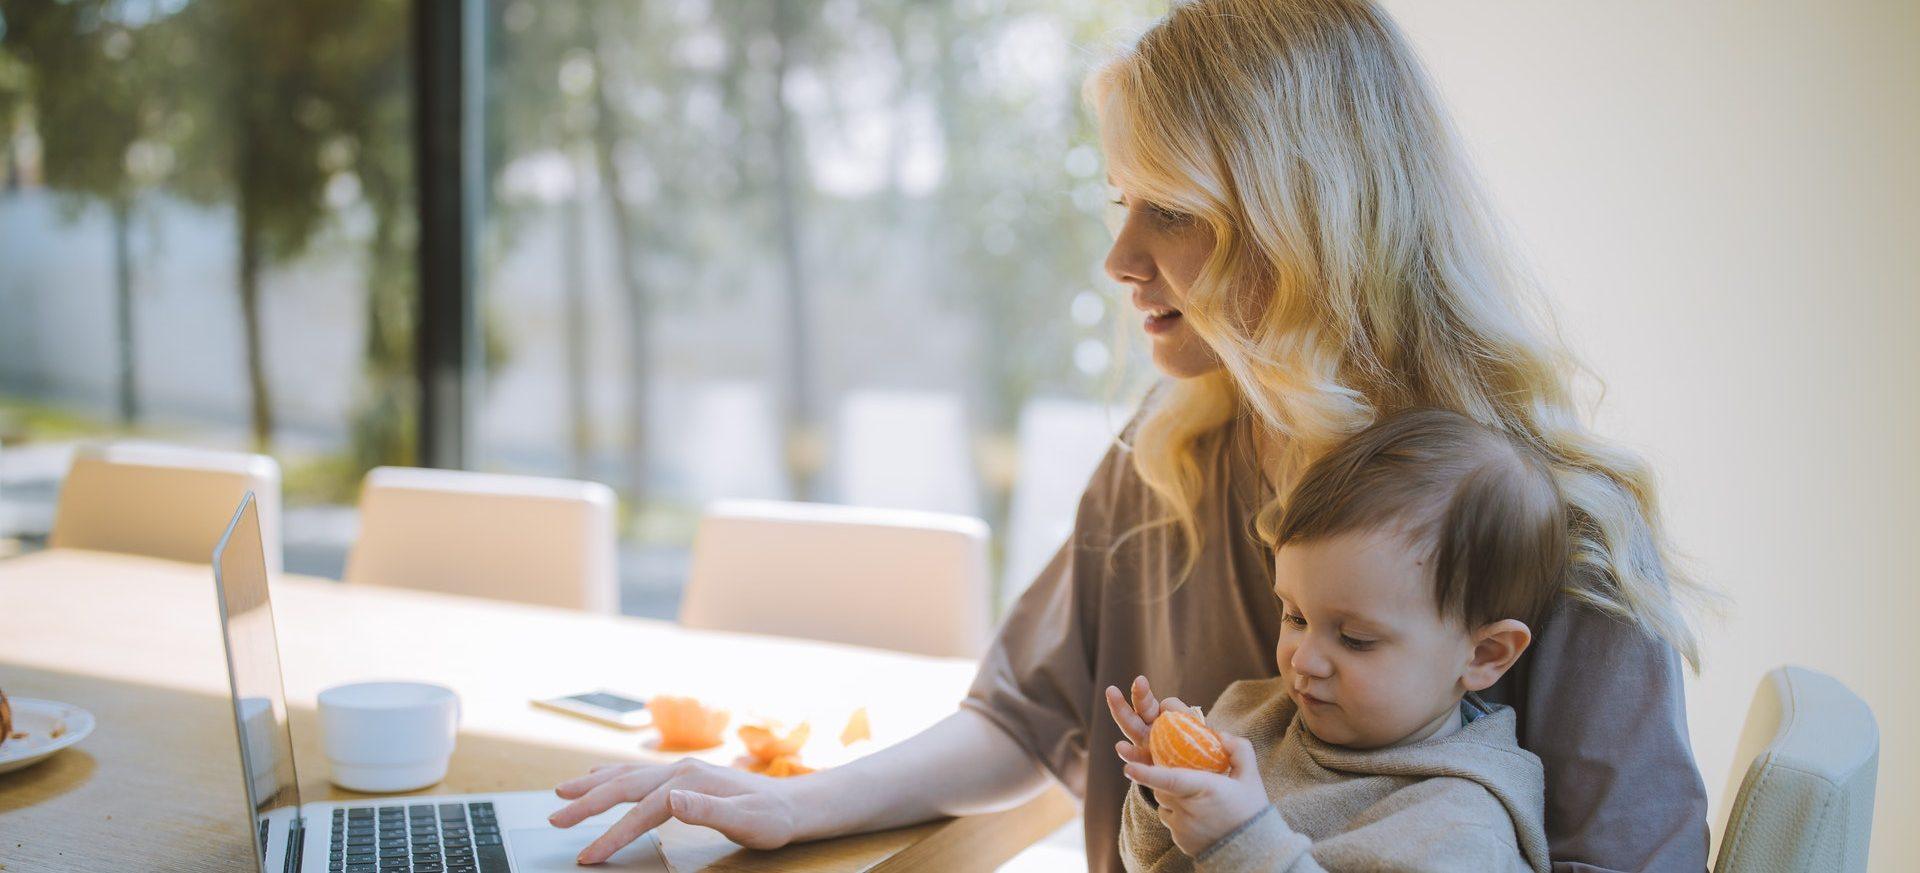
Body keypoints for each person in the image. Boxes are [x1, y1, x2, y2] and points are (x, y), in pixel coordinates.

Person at [547, 1, 1712, 869]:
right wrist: (794, 800)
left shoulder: (1558, 524)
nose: (1120, 261)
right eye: (1121, 203)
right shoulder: (1170, 453)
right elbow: (1025, 716)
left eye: (1177, 211)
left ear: (1310, 221)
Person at [1110, 408, 1565, 872]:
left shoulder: (1462, 830)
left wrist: (1243, 847)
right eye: (1296, 616)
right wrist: (1165, 792)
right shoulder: (1250, 716)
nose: (1304, 660)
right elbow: (1148, 864)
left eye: (1355, 639)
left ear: (1486, 654)